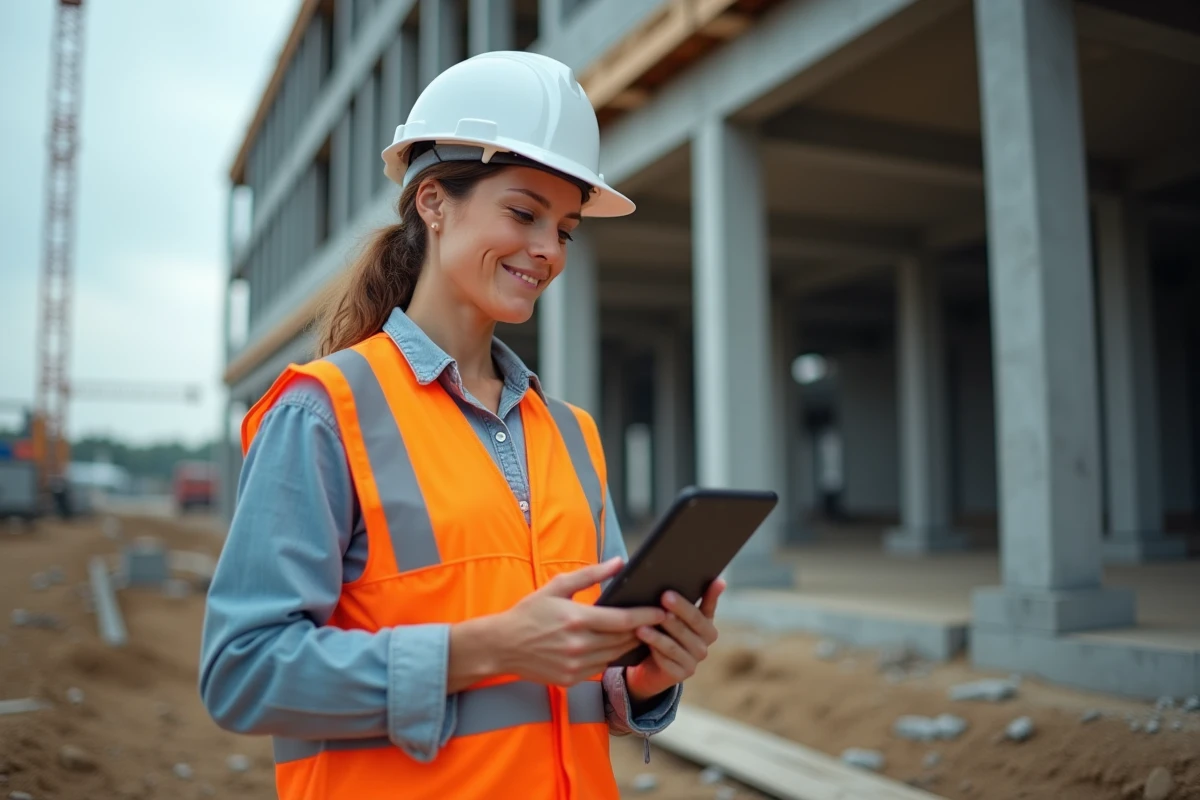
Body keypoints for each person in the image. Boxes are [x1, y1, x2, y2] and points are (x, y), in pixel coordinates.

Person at [199, 51, 725, 800]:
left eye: (567, 229)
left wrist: (646, 674)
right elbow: (241, 673)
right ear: (434, 202)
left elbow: (584, 681)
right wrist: (480, 650)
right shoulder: (324, 410)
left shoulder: (571, 435)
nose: (546, 249)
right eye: (523, 212)